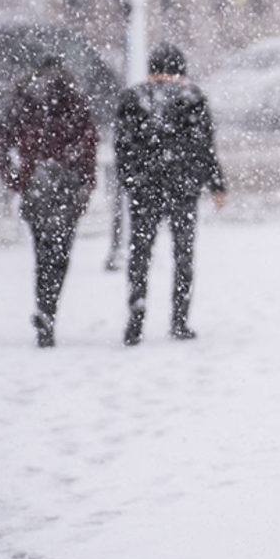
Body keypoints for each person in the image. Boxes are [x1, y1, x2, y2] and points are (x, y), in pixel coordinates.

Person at [115, 43, 227, 346]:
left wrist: (130, 181)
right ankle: (179, 319)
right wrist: (216, 184)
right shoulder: (192, 97)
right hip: (182, 188)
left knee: (140, 253)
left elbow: (122, 147)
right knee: (183, 254)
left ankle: (136, 314)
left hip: (145, 188)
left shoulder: (132, 98)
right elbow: (204, 147)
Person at [0, 54, 98, 348]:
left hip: (36, 187)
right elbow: (88, 146)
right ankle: (50, 309)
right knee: (60, 255)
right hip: (68, 186)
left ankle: (44, 308)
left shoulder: (23, 102)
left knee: (43, 253)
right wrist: (86, 183)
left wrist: (17, 178)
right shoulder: (73, 102)